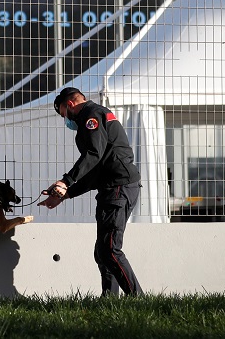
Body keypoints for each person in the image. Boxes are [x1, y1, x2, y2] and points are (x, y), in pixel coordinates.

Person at [38, 87, 143, 296]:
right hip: (112, 187)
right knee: (102, 252)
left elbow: (93, 155)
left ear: (70, 105)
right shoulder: (94, 117)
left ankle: (137, 298)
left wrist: (66, 181)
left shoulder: (92, 117)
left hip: (118, 187)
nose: (66, 120)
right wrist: (66, 193)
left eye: (63, 114)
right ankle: (109, 299)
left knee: (110, 250)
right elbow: (94, 168)